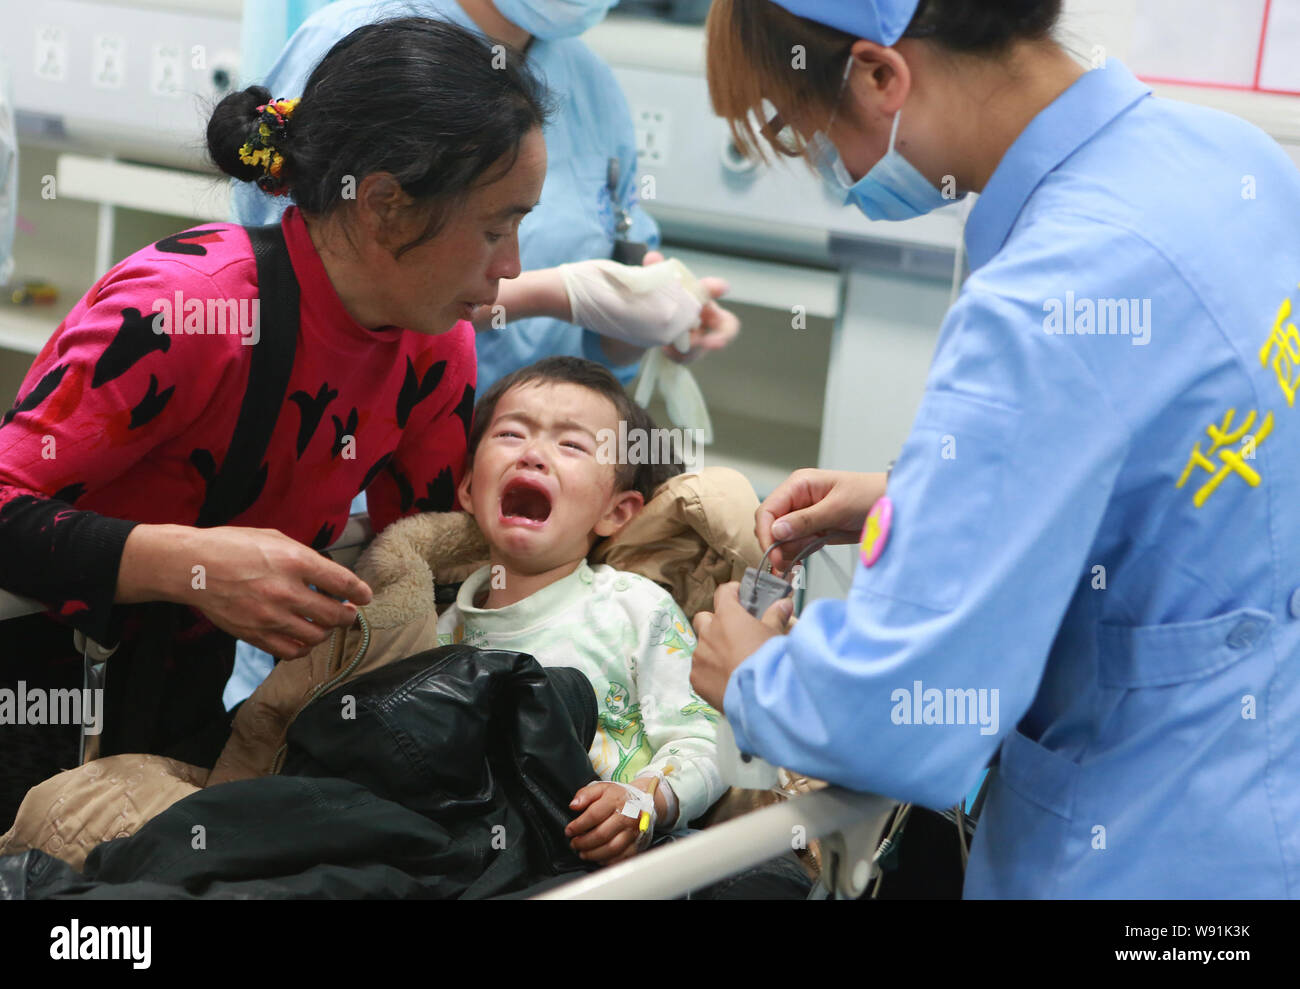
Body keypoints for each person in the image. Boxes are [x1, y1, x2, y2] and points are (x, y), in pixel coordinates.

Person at [0, 17, 710, 826]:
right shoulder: (188, 311)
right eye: (494, 228)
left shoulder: (432, 350)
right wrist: (186, 564)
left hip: (181, 693)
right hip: (36, 680)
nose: (514, 267)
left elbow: (428, 559)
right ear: (383, 206)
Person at [689, 0, 1300, 898]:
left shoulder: (1045, 295)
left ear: (877, 77)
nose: (824, 165)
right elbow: (1193, 455)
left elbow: (905, 709)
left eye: (800, 127)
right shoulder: (1234, 160)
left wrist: (754, 677)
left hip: (1151, 851)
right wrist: (923, 495)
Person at [224, 0, 741, 707]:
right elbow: (317, 285)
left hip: (503, 535)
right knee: (313, 714)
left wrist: (641, 314)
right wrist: (547, 293)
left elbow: (600, 333)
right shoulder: (368, 46)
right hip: (348, 495)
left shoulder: (585, 81)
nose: (512, 257)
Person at [438, 356, 724, 864]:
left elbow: (708, 739)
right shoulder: (436, 637)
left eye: (571, 445)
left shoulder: (635, 608)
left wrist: (644, 803)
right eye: (510, 434)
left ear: (615, 512)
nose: (532, 454)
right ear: (467, 489)